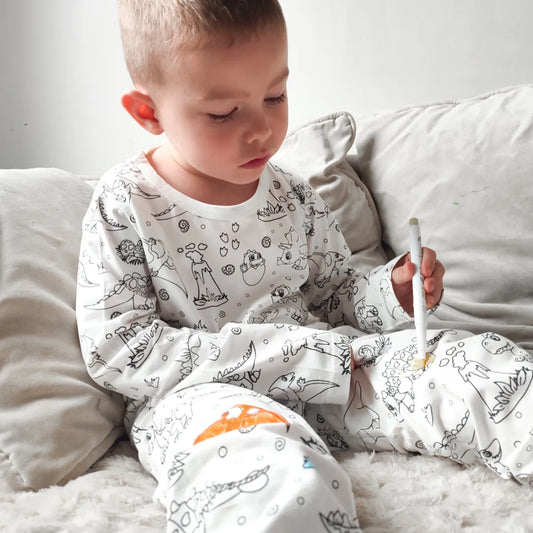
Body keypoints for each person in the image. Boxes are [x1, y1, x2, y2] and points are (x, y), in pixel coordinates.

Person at [76, 1, 533, 531]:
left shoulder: (292, 195)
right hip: (202, 398)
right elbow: (119, 349)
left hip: (335, 371)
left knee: (474, 366)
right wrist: (295, 354)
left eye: (275, 96)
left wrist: (392, 292)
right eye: (223, 113)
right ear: (148, 112)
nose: (261, 129)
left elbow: (334, 295)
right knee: (265, 477)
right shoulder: (125, 203)